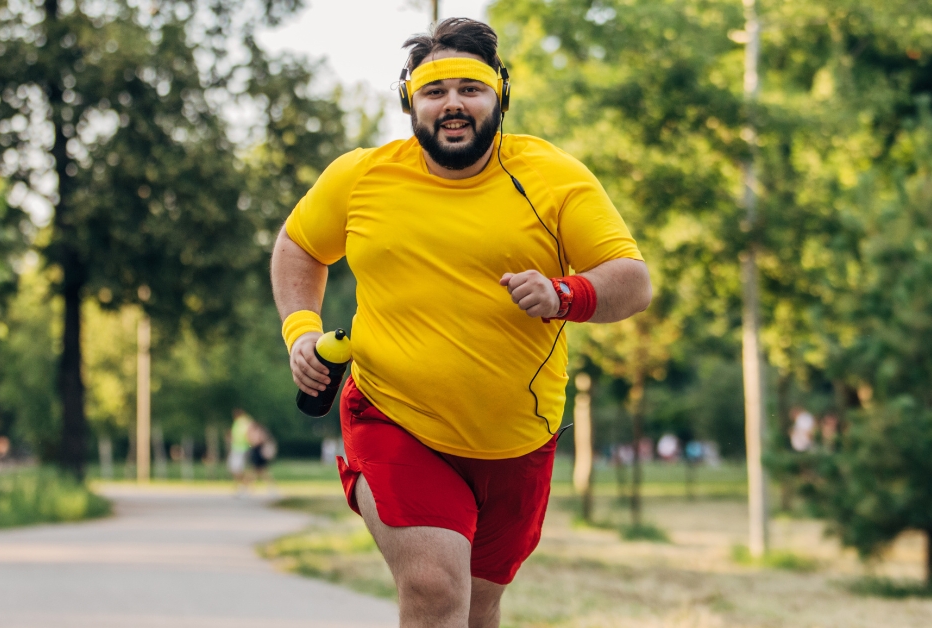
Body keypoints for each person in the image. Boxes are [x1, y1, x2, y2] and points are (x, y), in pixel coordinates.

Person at [270, 18, 652, 628]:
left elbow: (632, 281)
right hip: (394, 416)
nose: (452, 104)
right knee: (433, 589)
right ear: (409, 101)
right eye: (434, 90)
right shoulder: (362, 176)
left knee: (478, 608)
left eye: (470, 89)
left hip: (517, 440)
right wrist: (301, 331)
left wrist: (565, 293)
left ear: (499, 94)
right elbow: (299, 246)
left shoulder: (552, 177)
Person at [228, 409, 253, 492]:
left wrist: (250, 444)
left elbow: (248, 434)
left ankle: (243, 485)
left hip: (242, 448)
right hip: (237, 447)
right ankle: (242, 485)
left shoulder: (243, 422)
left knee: (237, 468)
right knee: (235, 468)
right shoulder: (239, 422)